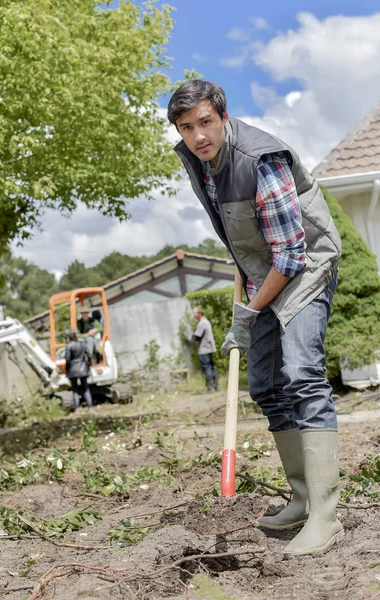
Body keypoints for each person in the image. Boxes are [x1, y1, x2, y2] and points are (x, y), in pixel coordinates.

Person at [167, 79, 343, 558]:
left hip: (304, 266)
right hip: (264, 272)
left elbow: (291, 253)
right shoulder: (200, 163)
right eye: (187, 127)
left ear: (223, 117)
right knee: (265, 386)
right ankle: (303, 497)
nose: (198, 135)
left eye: (205, 122)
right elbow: (246, 235)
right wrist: (246, 285)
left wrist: (247, 312)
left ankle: (327, 515)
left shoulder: (260, 160)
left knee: (302, 374)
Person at [65, 329, 93, 412]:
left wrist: (67, 369)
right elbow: (89, 355)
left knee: (75, 390)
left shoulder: (69, 346)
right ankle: (90, 407)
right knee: (86, 388)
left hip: (73, 370)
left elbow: (67, 359)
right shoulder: (83, 344)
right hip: (83, 367)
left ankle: (77, 409)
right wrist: (88, 364)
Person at [192, 306, 218, 392]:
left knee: (207, 368)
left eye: (195, 313)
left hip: (204, 349)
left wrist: (191, 339)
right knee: (211, 367)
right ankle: (216, 386)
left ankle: (209, 388)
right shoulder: (207, 322)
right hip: (209, 348)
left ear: (199, 314)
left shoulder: (202, 323)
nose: (194, 316)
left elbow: (196, 336)